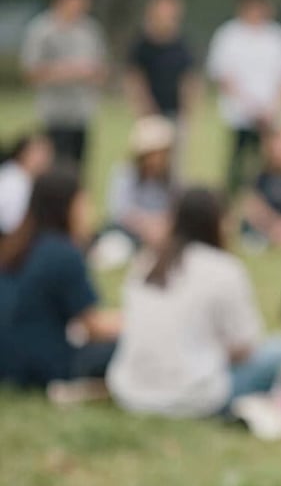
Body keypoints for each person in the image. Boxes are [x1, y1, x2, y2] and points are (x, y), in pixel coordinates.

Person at [107, 187, 281, 418]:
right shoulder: (225, 269)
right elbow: (247, 346)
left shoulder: (146, 261)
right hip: (194, 396)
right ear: (219, 222)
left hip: (130, 390)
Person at [0, 168, 120, 389]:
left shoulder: (15, 244)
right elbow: (95, 327)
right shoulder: (63, 253)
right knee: (124, 349)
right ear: (68, 207)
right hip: (40, 366)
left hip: (6, 361)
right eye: (84, 204)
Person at [207, 0, 281, 194]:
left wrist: (273, 106)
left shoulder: (278, 37)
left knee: (272, 162)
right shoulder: (229, 36)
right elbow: (224, 75)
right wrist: (248, 105)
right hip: (240, 113)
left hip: (272, 113)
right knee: (237, 161)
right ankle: (232, 198)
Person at [20, 0, 107, 169]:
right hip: (54, 116)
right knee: (54, 171)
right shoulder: (42, 30)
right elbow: (30, 72)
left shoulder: (90, 30)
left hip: (82, 114)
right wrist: (71, 71)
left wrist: (94, 74)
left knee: (77, 170)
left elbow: (101, 69)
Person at [125, 0, 198, 169]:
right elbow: (134, 78)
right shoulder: (142, 44)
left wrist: (188, 110)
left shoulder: (181, 44)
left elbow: (189, 79)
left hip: (174, 111)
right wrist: (144, 108)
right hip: (149, 113)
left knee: (175, 163)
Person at [104, 115, 176, 248]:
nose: (158, 159)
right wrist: (147, 225)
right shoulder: (125, 173)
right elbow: (120, 212)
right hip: (129, 232)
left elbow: (175, 208)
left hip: (162, 231)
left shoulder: (170, 177)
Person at [0, 134, 53, 235]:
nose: (44, 160)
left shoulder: (26, 179)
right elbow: (11, 223)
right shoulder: (12, 180)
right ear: (23, 153)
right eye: (39, 154)